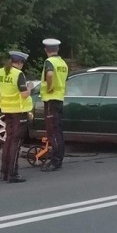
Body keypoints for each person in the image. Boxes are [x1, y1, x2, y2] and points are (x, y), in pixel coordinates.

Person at [0, 51, 31, 183]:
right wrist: (30, 88)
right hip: (18, 111)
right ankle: (13, 174)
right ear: (19, 62)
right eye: (22, 64)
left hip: (6, 110)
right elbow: (24, 95)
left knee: (8, 140)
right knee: (16, 142)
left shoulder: (0, 72)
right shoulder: (18, 74)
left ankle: (4, 172)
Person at [40, 38, 68, 171]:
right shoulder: (62, 62)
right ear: (57, 49)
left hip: (51, 99)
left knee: (53, 132)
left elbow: (50, 74)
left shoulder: (49, 62)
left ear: (46, 50)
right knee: (58, 131)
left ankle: (55, 161)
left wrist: (50, 87)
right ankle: (59, 158)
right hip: (59, 99)